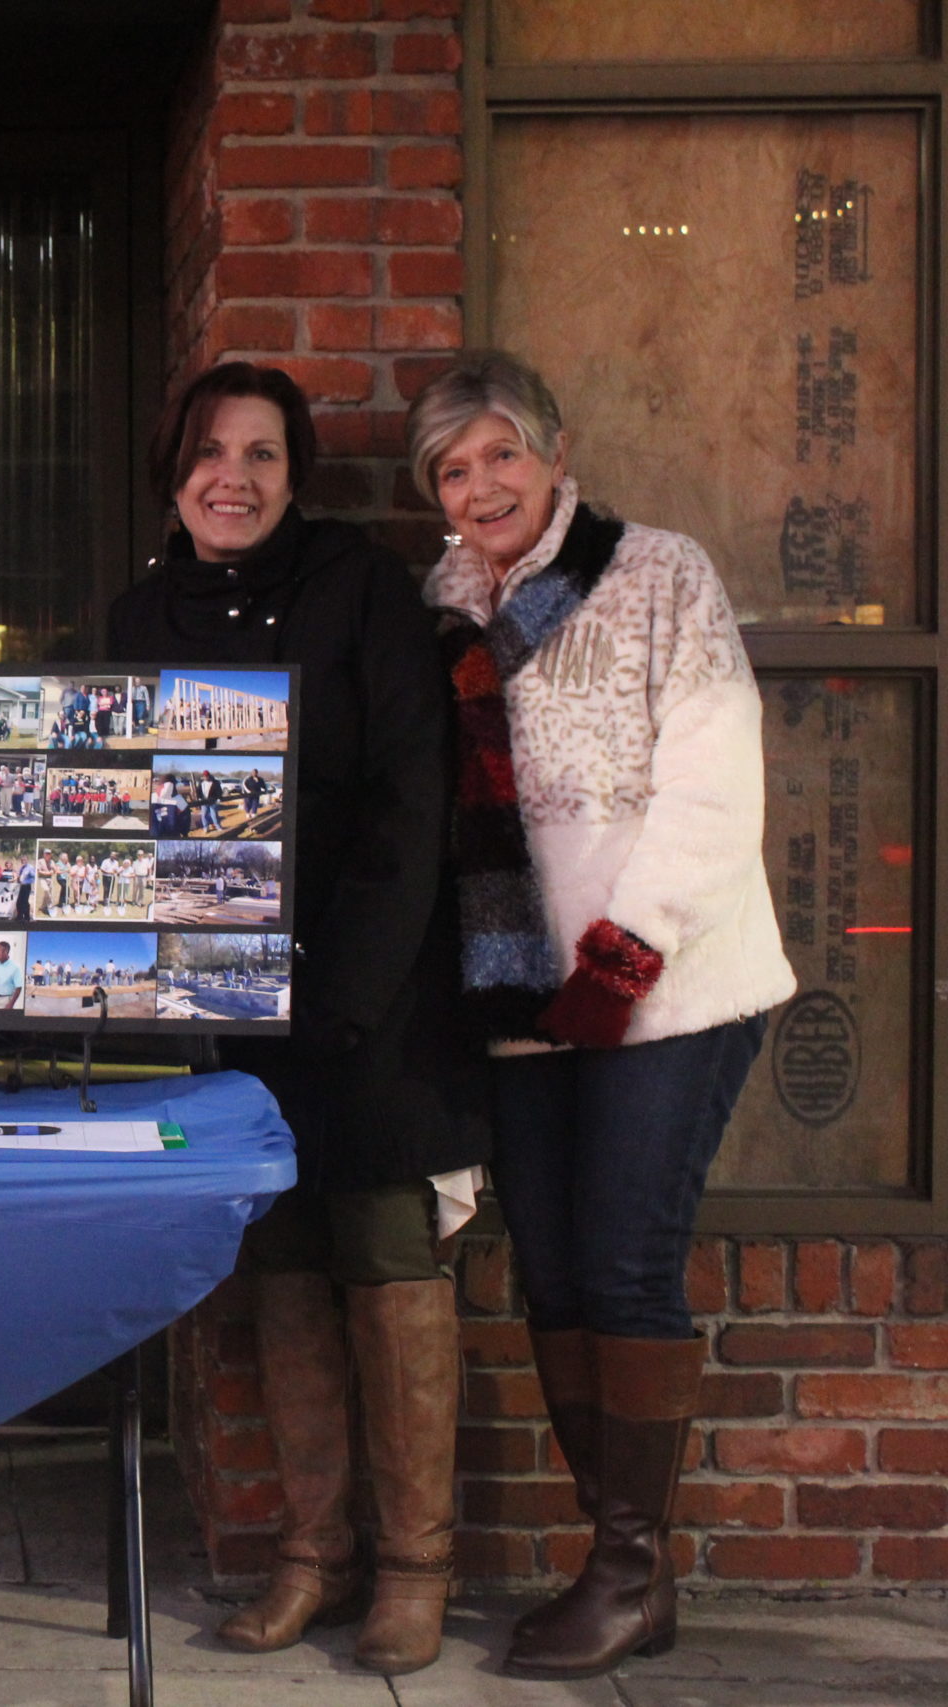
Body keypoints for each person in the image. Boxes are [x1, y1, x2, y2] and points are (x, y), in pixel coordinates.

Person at [410, 350, 794, 1679]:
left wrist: (622, 960)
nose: (481, 486)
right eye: (451, 470)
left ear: (556, 454)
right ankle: (623, 1565)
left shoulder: (655, 572)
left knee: (626, 1265)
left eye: (501, 454)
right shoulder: (443, 608)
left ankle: (628, 1572)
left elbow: (713, 779)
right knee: (557, 1270)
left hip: (665, 986)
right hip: (519, 993)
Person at [108, 361, 489, 1676]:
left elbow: (410, 797)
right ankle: (313, 1555)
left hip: (373, 993)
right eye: (210, 452)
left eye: (262, 453)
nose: (234, 477)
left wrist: (344, 992)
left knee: (386, 1259)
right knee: (277, 1267)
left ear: (295, 473)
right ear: (175, 470)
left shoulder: (361, 587)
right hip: (224, 1009)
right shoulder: (138, 614)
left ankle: (416, 1568)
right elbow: (117, 819)